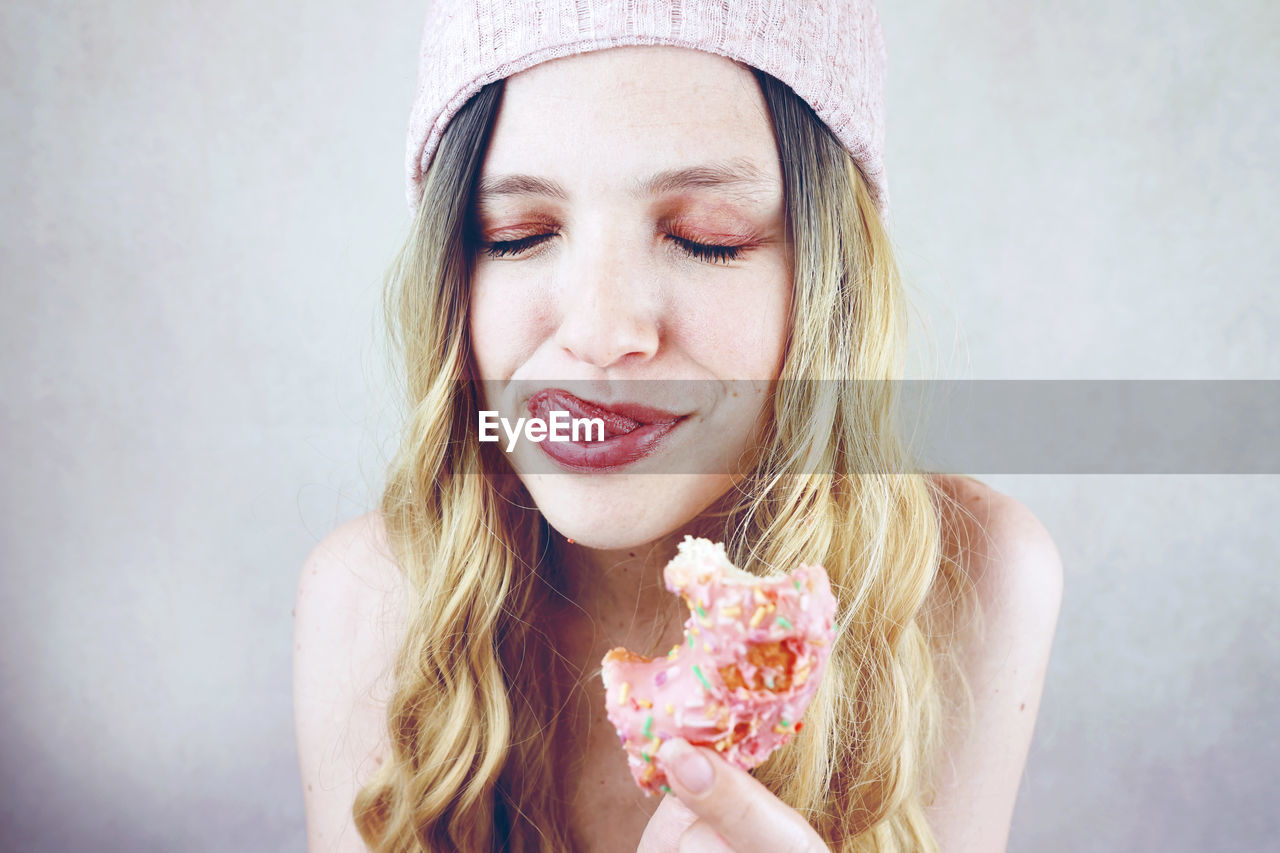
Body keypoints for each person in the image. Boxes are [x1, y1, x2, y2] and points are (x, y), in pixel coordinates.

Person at [293, 2, 1063, 851]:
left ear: (826, 284)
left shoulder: (971, 577)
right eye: (517, 236)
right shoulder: (371, 601)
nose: (600, 330)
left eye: (705, 239)